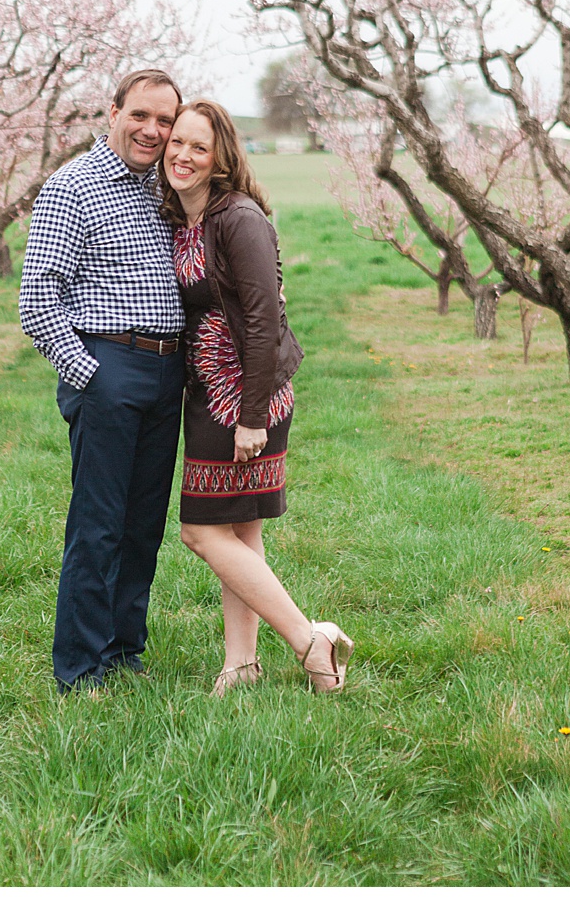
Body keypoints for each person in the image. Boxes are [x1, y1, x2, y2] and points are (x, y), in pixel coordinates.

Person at [161, 98, 353, 694]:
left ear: (221, 156)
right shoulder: (185, 217)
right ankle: (240, 663)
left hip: (244, 398)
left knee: (201, 532)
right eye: (178, 144)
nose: (184, 156)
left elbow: (265, 318)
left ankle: (308, 640)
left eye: (199, 146)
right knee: (240, 533)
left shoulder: (238, 217)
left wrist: (250, 417)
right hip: (211, 391)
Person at [19, 69, 187, 693]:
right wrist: (90, 375)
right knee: (99, 524)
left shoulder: (162, 190)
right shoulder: (74, 187)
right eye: (140, 115)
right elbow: (38, 298)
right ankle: (80, 668)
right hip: (108, 368)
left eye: (164, 121)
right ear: (112, 111)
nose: (152, 131)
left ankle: (123, 651)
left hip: (166, 373)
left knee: (144, 523)